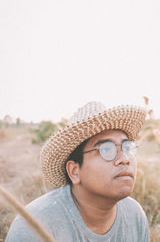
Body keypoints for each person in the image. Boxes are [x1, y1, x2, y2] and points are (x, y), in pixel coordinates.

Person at [6, 101, 149, 242]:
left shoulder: (134, 215)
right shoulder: (35, 227)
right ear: (74, 171)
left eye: (127, 148)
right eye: (106, 149)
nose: (124, 159)